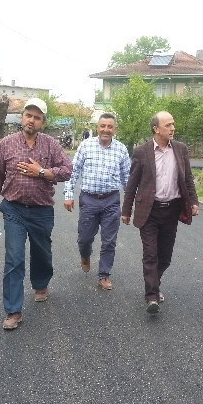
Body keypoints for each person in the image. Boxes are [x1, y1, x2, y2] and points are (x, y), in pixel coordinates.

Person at [0, 98, 72, 331]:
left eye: (37, 117)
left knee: (42, 253)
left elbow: (67, 170)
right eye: (28, 115)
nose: (31, 120)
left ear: (43, 121)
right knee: (14, 258)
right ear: (22, 117)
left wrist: (42, 171)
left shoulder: (51, 145)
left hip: (42, 211)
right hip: (13, 210)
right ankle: (13, 310)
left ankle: (41, 283)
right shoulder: (7, 144)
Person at [122, 111, 199, 314]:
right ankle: (151, 296)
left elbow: (188, 179)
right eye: (168, 125)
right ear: (156, 129)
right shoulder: (141, 152)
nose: (173, 128)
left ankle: (154, 284)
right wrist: (126, 210)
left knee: (165, 256)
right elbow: (132, 184)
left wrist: (193, 201)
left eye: (173, 124)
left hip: (171, 210)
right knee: (150, 254)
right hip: (149, 210)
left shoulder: (181, 149)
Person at [63, 113, 131, 291]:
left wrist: (130, 203)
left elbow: (127, 179)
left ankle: (104, 274)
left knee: (109, 241)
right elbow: (72, 171)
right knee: (84, 238)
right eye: (103, 126)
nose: (106, 130)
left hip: (111, 201)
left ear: (114, 129)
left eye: (110, 126)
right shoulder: (86, 146)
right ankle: (85, 255)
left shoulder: (121, 149)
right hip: (89, 200)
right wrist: (68, 194)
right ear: (97, 127)